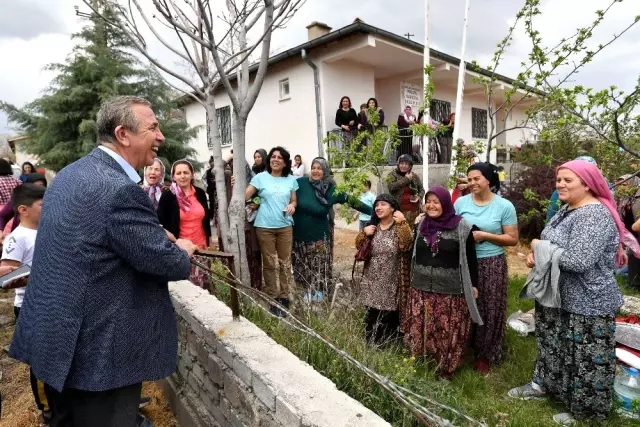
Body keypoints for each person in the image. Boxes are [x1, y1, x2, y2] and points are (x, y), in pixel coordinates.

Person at [9, 95, 198, 427]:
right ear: (123, 134)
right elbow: (169, 264)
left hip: (56, 342)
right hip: (97, 355)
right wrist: (183, 248)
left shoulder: (69, 175)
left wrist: (149, 233)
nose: (161, 136)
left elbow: (98, 240)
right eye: (153, 127)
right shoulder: (120, 190)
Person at [508, 159, 639, 425]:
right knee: (553, 346)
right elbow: (555, 246)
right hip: (558, 295)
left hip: (587, 300)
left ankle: (588, 413)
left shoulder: (593, 215)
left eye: (569, 180)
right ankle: (544, 386)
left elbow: (578, 261)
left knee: (587, 357)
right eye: (559, 180)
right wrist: (538, 254)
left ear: (588, 185)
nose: (561, 184)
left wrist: (539, 247)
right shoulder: (568, 209)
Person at [404, 186, 482, 379]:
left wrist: (473, 284)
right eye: (428, 201)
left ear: (445, 203)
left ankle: (446, 369)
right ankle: (423, 360)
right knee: (423, 326)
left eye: (436, 202)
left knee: (447, 331)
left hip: (450, 291)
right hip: (421, 287)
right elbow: (414, 253)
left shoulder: (462, 227)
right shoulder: (421, 225)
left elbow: (470, 258)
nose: (431, 205)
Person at [454, 162, 518, 374]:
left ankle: (486, 353)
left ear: (488, 180)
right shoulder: (461, 203)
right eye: (469, 179)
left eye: (476, 179)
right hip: (464, 261)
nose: (471, 183)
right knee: (463, 305)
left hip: (491, 262)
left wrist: (485, 236)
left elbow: (512, 239)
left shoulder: (504, 206)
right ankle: (463, 346)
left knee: (490, 306)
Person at [1, 184, 50, 422]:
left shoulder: (48, 229)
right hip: (32, 308)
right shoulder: (17, 237)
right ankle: (47, 408)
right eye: (42, 205)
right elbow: (5, 277)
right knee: (41, 360)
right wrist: (36, 274)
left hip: (54, 304)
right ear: (23, 209)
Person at [292, 158, 372, 301]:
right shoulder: (300, 183)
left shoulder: (330, 189)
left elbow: (351, 200)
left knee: (319, 267)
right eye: (313, 167)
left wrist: (375, 210)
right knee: (302, 267)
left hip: (319, 237)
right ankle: (303, 298)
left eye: (319, 168)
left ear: (325, 171)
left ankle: (319, 299)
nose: (315, 171)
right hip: (299, 237)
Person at [245, 146, 298, 315]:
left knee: (284, 262)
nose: (275, 159)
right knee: (269, 263)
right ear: (269, 160)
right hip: (264, 227)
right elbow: (246, 196)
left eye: (279, 157)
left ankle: (284, 297)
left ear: (285, 162)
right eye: (273, 157)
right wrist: (257, 200)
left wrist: (292, 206)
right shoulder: (260, 178)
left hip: (285, 227)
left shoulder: (291, 180)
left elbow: (294, 202)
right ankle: (273, 298)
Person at [356, 194, 413, 347]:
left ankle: (386, 345)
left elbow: (407, 246)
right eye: (376, 205)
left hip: (392, 280)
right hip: (371, 278)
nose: (378, 208)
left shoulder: (399, 226)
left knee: (388, 316)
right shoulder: (373, 227)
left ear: (393, 208)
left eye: (383, 204)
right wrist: (363, 233)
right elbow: (359, 247)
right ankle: (370, 344)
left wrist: (402, 222)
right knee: (371, 314)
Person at [158, 160, 211, 289]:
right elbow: (160, 224)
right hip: (180, 250)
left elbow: (206, 218)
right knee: (186, 289)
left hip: (201, 248)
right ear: (174, 176)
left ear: (192, 175)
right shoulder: (168, 196)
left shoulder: (200, 193)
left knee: (203, 288)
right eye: (179, 173)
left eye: (186, 172)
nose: (183, 176)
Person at [0, 173, 47, 242]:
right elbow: (2, 216)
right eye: (34, 186)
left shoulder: (48, 200)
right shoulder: (19, 199)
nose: (37, 190)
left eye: (41, 186)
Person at [387, 154, 424, 226]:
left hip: (414, 212)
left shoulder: (414, 176)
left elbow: (421, 189)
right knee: (401, 232)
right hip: (399, 212)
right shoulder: (392, 175)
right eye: (401, 163)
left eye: (406, 164)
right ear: (398, 164)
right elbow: (391, 187)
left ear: (410, 166)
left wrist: (419, 197)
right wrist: (406, 179)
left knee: (414, 233)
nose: (403, 166)